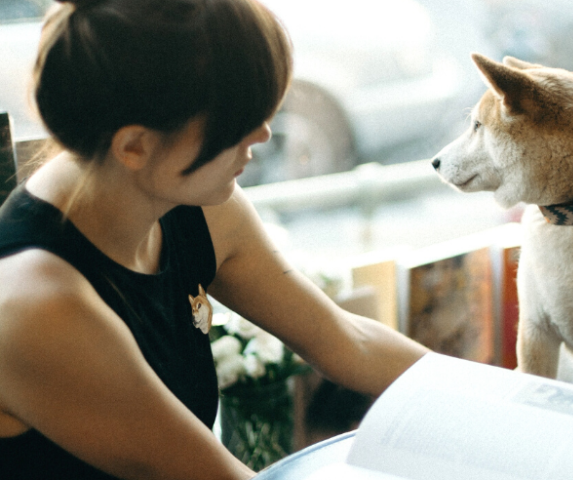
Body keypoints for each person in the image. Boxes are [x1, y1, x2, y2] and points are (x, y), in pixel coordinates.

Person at [0, 1, 429, 479]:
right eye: (235, 123)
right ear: (134, 145)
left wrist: (503, 398)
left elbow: (348, 341)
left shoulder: (193, 199)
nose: (263, 134)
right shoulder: (34, 305)